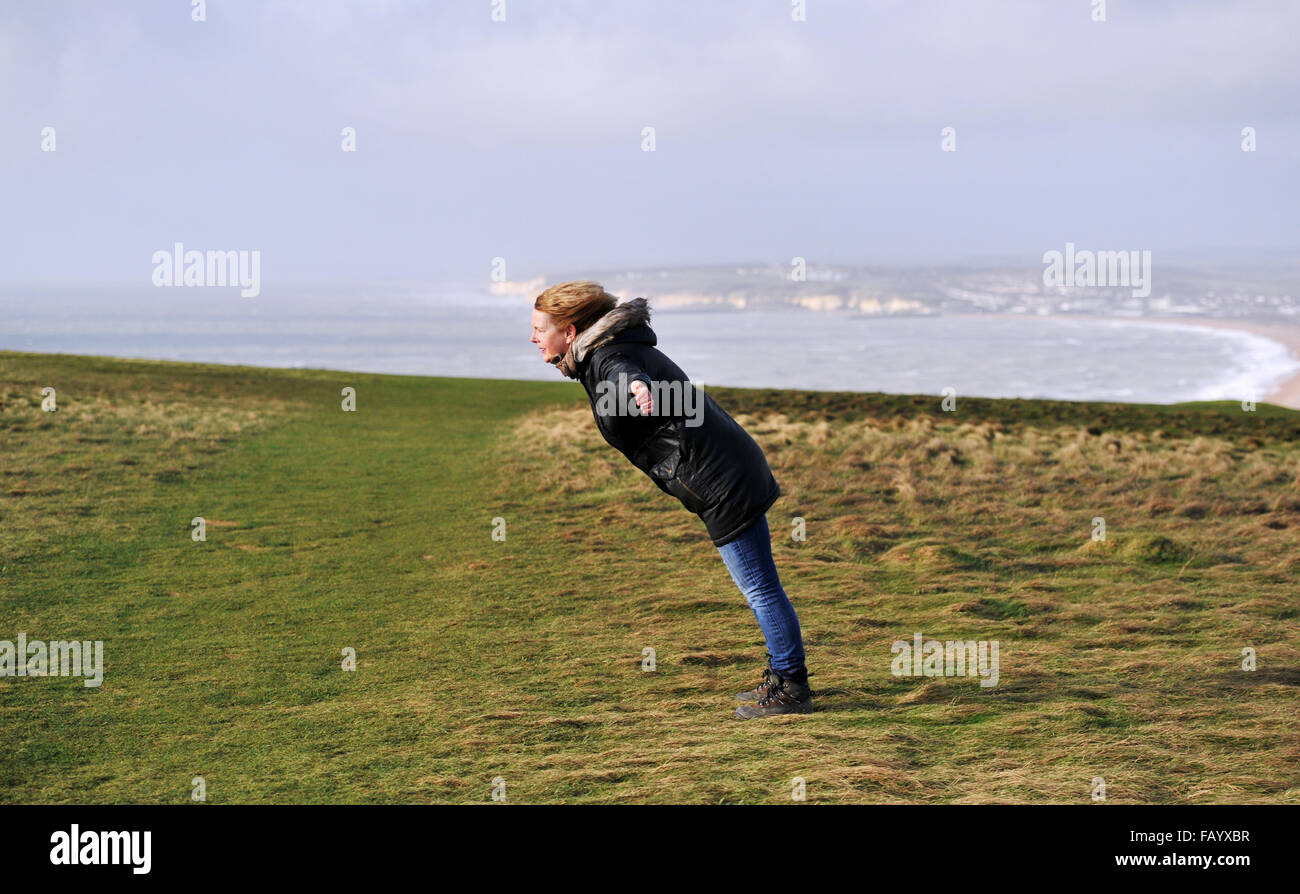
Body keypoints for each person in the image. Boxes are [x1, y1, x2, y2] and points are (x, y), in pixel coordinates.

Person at [530, 280, 813, 719]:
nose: (532, 338)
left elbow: (625, 377)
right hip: (727, 470)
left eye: (538, 329)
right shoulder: (604, 353)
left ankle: (792, 686)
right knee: (759, 585)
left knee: (759, 587)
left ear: (568, 332)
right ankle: (782, 676)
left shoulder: (609, 357)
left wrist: (638, 392)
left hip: (723, 480)